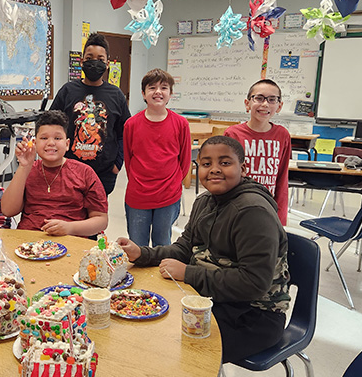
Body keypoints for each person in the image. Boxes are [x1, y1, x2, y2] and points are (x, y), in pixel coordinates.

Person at [117, 136, 290, 363]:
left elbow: (254, 283)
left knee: (169, 350)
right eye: (206, 164)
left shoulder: (253, 212)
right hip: (213, 298)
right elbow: (184, 248)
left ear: (243, 168)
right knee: (145, 321)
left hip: (254, 315)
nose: (215, 170)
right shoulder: (205, 201)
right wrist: (143, 253)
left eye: (225, 163)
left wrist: (188, 273)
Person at [1, 110, 108, 237]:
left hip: (71, 240)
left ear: (67, 144)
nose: (51, 143)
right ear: (34, 143)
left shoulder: (84, 172)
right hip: (29, 240)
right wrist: (24, 166)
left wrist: (69, 227)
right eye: (44, 138)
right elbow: (8, 210)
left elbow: (101, 220)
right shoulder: (28, 169)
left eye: (57, 138)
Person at [50, 32, 131, 195]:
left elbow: (125, 132)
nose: (95, 63)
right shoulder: (68, 91)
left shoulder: (116, 95)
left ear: (107, 64)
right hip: (70, 169)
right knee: (69, 214)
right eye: (89, 58)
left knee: (97, 216)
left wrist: (118, 163)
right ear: (82, 61)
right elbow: (51, 126)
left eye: (100, 59)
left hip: (104, 173)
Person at [123, 68, 190, 247]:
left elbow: (184, 160)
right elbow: (129, 160)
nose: (158, 92)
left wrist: (173, 183)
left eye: (164, 88)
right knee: (137, 245)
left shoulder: (181, 124)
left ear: (170, 94)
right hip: (138, 194)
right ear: (144, 94)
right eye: (152, 88)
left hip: (168, 195)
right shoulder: (131, 124)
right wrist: (140, 182)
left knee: (162, 244)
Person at [224, 79, 291, 225]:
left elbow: (282, 176)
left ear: (279, 106)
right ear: (247, 103)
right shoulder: (233, 134)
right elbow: (225, 177)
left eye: (272, 99)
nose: (265, 104)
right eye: (259, 98)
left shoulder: (282, 134)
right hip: (238, 208)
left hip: (268, 208)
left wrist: (280, 217)